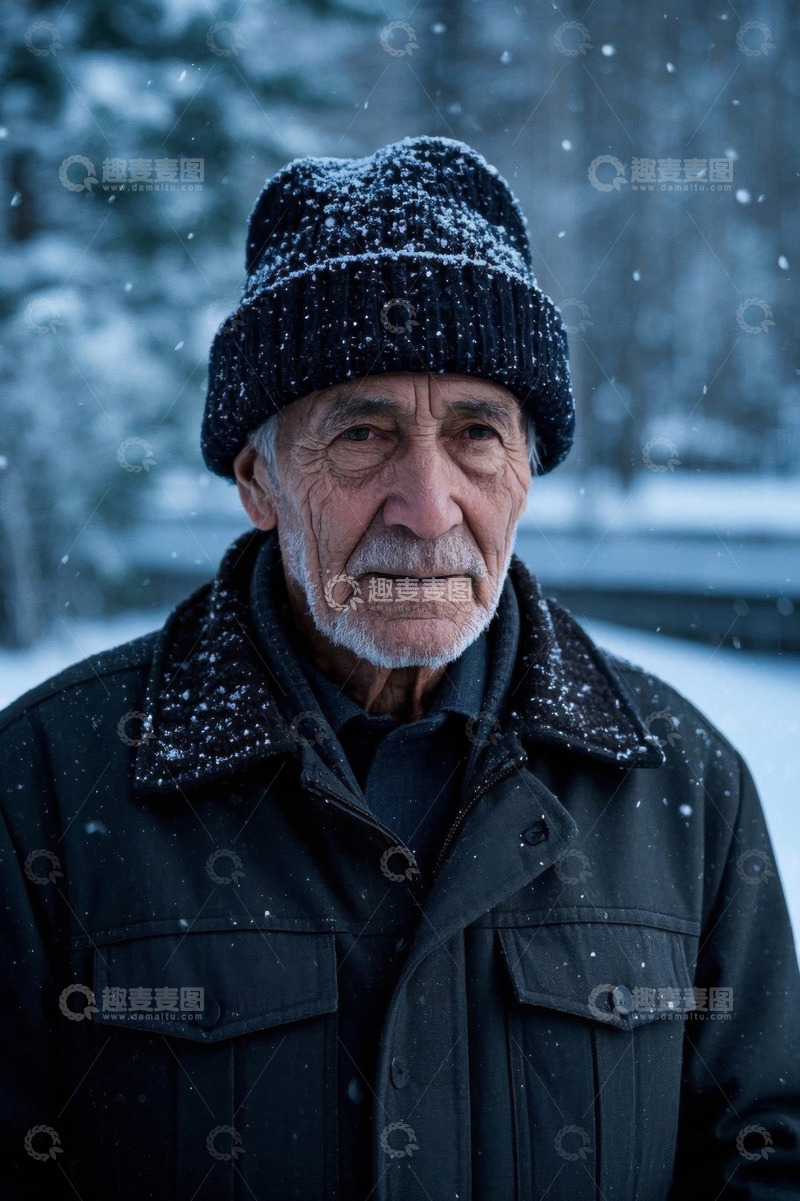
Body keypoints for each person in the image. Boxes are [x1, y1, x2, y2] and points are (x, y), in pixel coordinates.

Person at [1, 135, 797, 1201]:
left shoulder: (682, 789)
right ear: (257, 477)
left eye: (476, 434)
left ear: (523, 472)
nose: (427, 510)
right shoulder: (49, 785)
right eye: (362, 435)